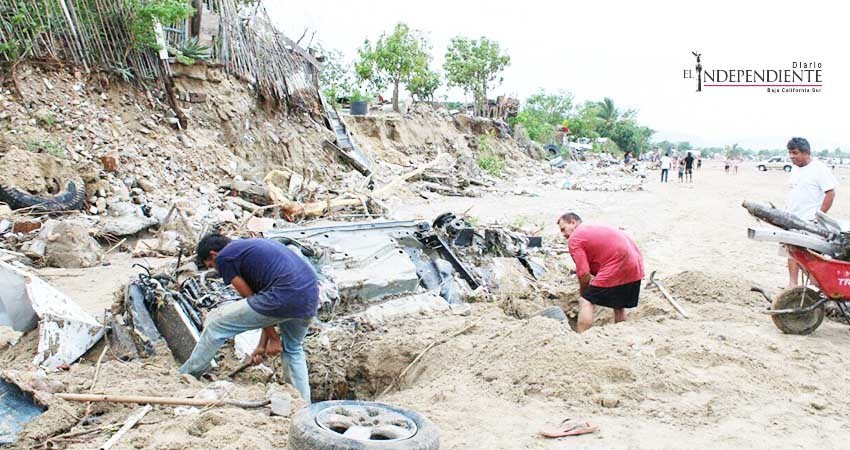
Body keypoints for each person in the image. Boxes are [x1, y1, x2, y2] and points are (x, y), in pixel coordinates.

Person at [180, 234, 319, 403]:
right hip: (308, 298)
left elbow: (250, 298)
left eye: (211, 265)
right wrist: (262, 346)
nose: (215, 268)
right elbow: (263, 309)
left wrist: (273, 338)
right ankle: (303, 403)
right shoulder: (248, 249)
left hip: (283, 296)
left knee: (215, 324)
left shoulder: (225, 257)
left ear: (213, 255)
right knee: (293, 349)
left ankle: (187, 375)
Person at [557, 213, 644, 332]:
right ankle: (621, 335)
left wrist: (584, 292)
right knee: (619, 305)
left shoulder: (575, 238)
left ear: (573, 223)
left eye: (563, 229)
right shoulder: (594, 228)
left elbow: (584, 273)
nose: (563, 234)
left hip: (617, 263)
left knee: (586, 301)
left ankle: (581, 338)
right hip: (636, 265)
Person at [785, 137, 838, 287]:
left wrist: (818, 215)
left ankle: (817, 287)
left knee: (808, 257)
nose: (792, 156)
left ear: (806, 152)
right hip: (793, 218)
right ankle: (792, 285)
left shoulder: (819, 169)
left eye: (795, 153)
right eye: (790, 153)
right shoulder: (795, 169)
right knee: (791, 252)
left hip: (809, 222)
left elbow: (830, 193)